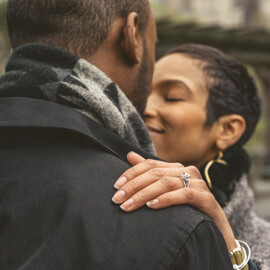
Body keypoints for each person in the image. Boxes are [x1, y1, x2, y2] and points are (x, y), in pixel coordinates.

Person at [0, 1, 233, 269]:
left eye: (173, 97)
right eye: (153, 46)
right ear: (132, 35)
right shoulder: (173, 225)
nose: (153, 109)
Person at [112, 44, 269, 270]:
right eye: (143, 92)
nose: (144, 106)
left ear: (227, 129)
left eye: (173, 97)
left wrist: (227, 248)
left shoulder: (265, 244)